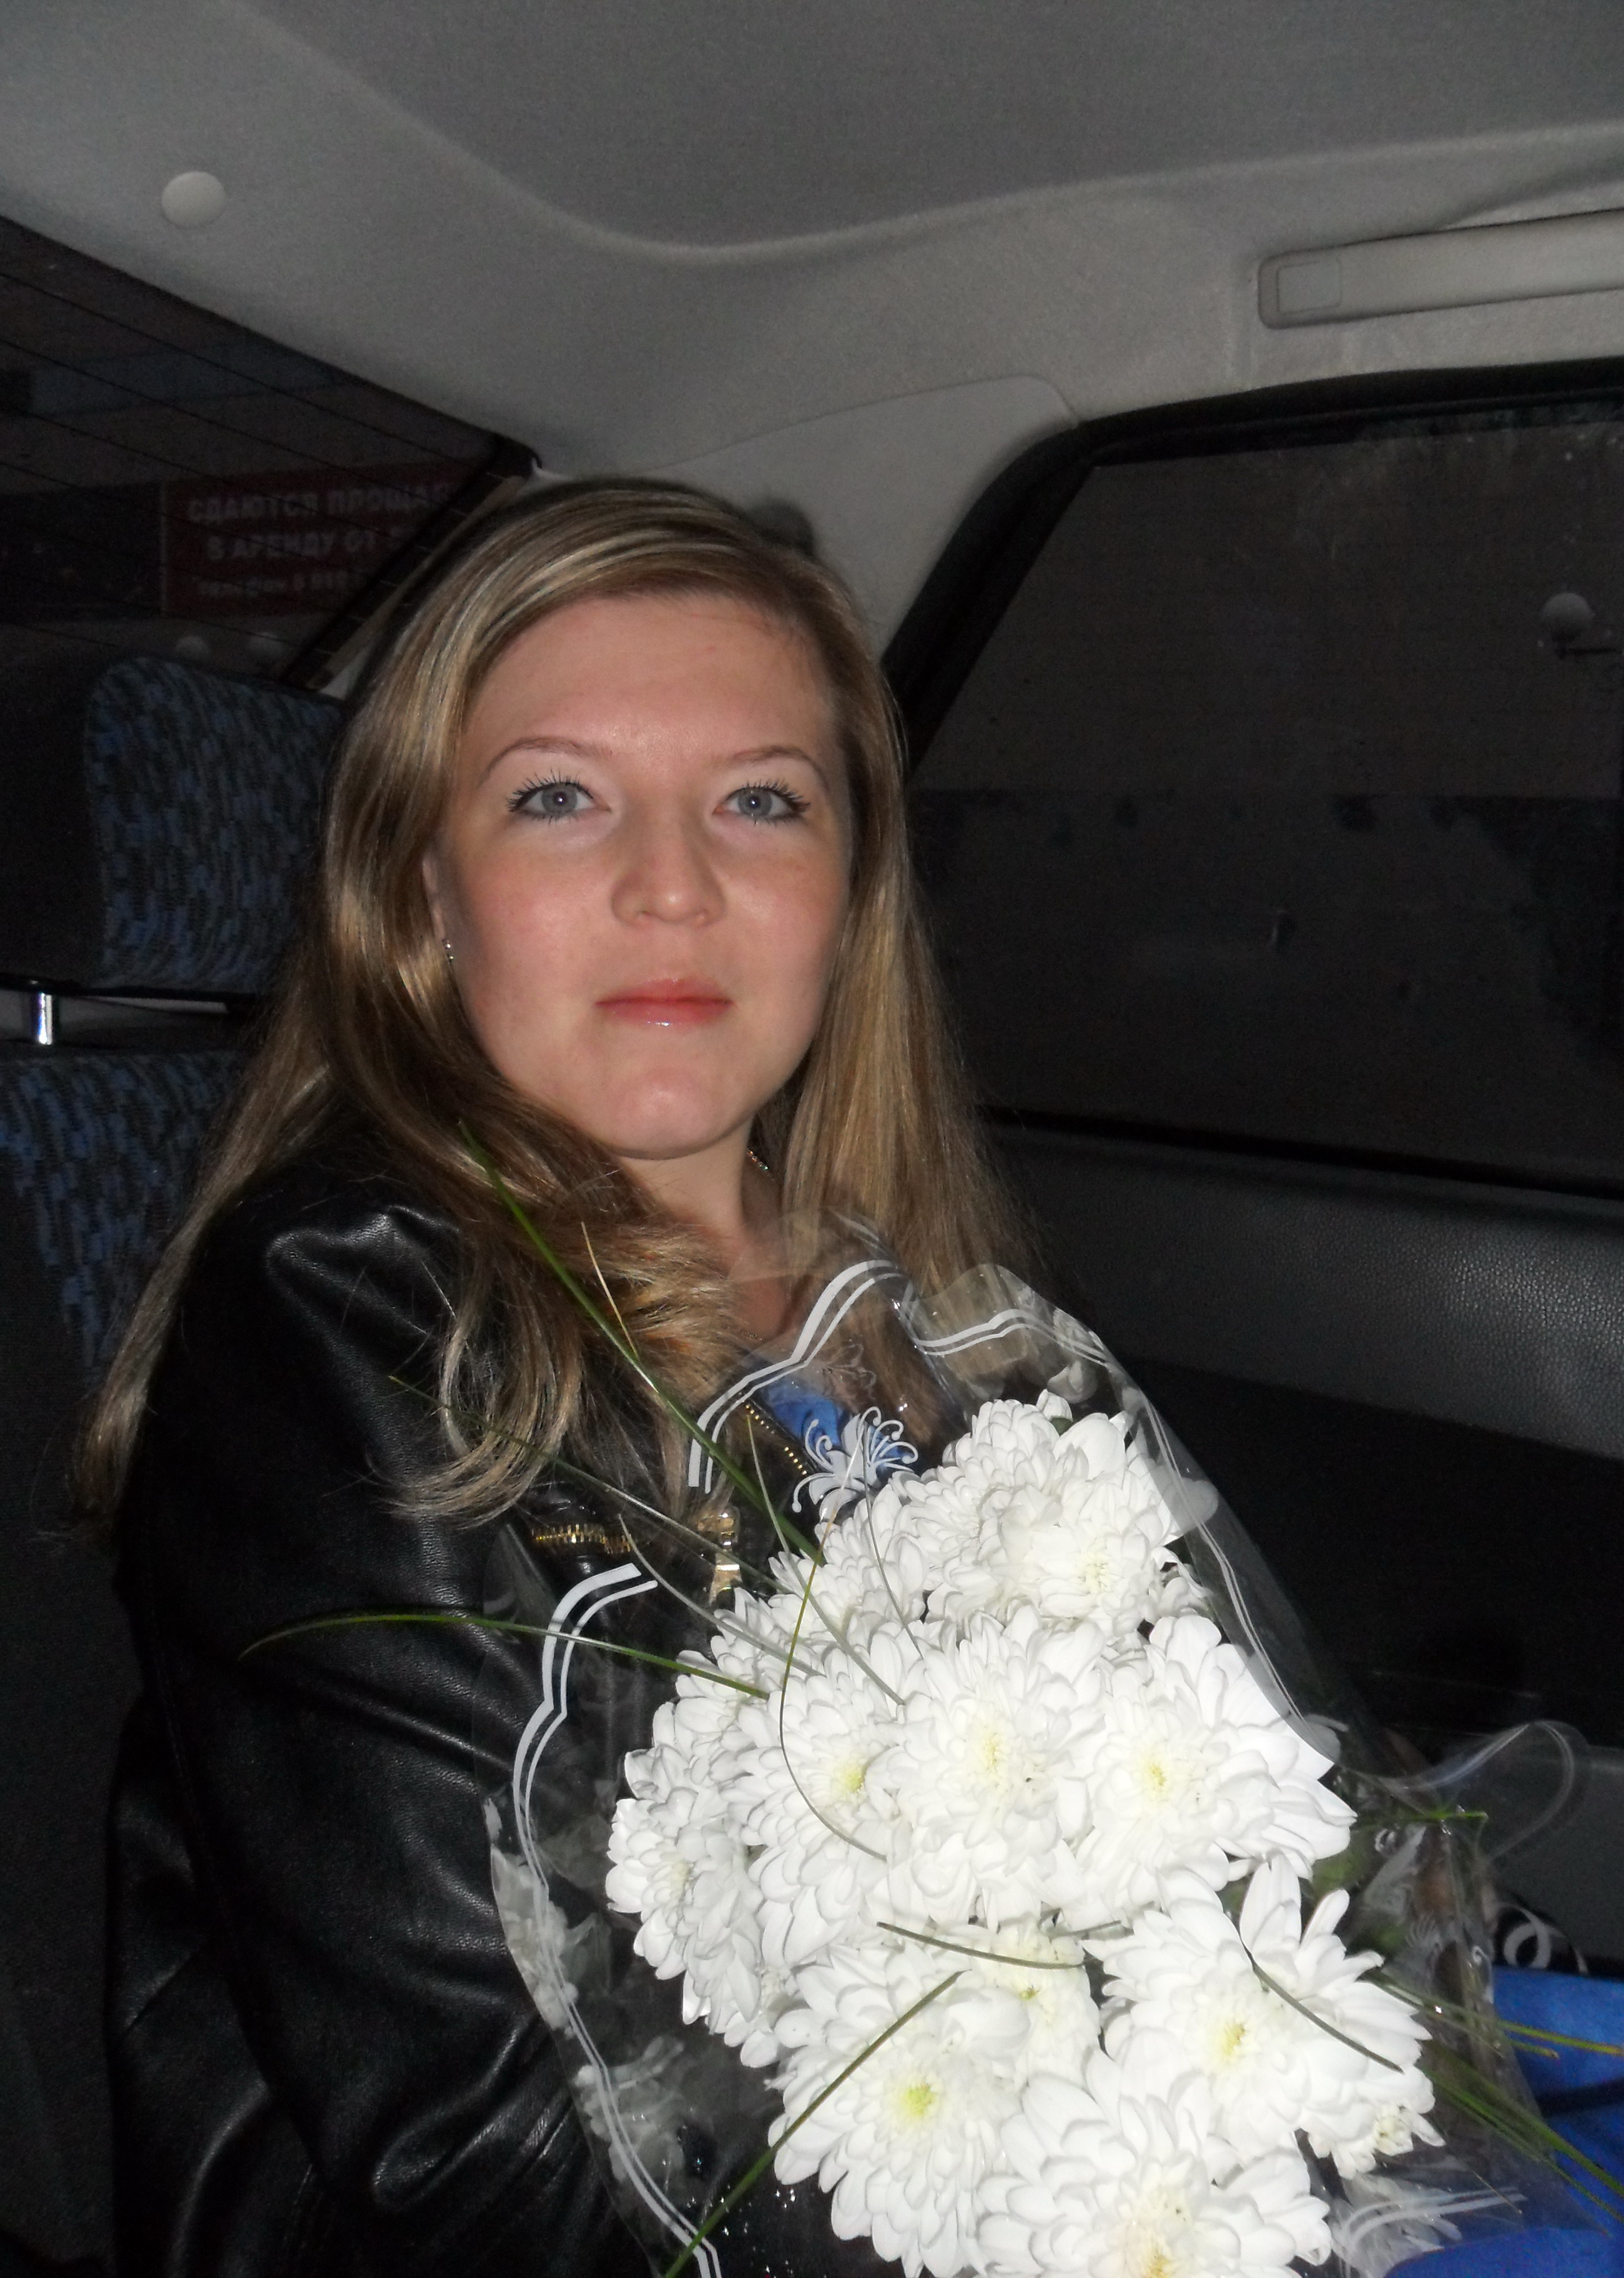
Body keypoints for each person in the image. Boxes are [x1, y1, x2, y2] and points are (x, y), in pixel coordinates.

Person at [82, 481, 1020, 2276]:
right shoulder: (340, 1312)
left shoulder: (910, 1301)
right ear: (423, 894)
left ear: (849, 891)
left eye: (762, 800)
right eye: (558, 797)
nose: (673, 885)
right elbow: (480, 2157)